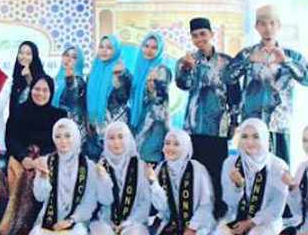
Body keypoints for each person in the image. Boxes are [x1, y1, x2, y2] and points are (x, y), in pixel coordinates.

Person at [223, 5, 308, 163]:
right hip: (252, 125)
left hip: (279, 124)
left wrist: (286, 61)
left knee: (280, 170)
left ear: (279, 26)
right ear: (256, 27)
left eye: (272, 23)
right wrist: (248, 61)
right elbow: (227, 78)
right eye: (262, 24)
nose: (268, 28)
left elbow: (306, 79)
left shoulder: (292, 55)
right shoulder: (247, 53)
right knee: (249, 170)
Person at [175, 17, 240, 217]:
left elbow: (234, 93)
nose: (199, 39)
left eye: (203, 34)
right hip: (194, 125)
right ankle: (196, 212)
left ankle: (218, 212)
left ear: (212, 34)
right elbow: (183, 85)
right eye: (195, 35)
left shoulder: (226, 62)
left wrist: (234, 121)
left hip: (218, 125)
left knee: (218, 170)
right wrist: (186, 68)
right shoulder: (186, 61)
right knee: (196, 171)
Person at [206, 118, 289, 235]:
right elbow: (230, 203)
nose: (250, 142)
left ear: (265, 139)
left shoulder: (278, 166)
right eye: (244, 137)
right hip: (237, 218)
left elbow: (276, 209)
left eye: (256, 137)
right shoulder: (230, 163)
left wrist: (251, 223)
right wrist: (237, 187)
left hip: (265, 221)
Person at [19, 118, 103, 235]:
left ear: (75, 137)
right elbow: (39, 197)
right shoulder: (46, 161)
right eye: (58, 137)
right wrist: (43, 178)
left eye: (67, 136)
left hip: (75, 219)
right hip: (50, 218)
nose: (63, 141)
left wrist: (70, 220)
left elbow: (89, 203)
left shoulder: (88, 166)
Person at [0, 75, 67, 235]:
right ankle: (17, 227)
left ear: (51, 93)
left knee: (45, 174)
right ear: (31, 90)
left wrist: (43, 159)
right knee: (20, 172)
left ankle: (39, 226)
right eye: (37, 89)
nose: (40, 93)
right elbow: (10, 139)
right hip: (21, 157)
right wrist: (24, 158)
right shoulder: (19, 110)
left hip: (47, 159)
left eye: (45, 90)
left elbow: (61, 143)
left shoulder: (59, 115)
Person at [89, 121, 152, 235]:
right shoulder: (100, 167)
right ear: (106, 142)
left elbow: (145, 203)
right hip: (106, 222)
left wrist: (127, 223)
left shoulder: (140, 166)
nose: (116, 142)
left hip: (133, 222)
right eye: (111, 138)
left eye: (120, 137)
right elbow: (102, 201)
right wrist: (103, 179)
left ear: (128, 139)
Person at [148, 129, 215, 235]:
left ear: (185, 147)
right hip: (172, 222)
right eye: (167, 143)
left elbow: (206, 204)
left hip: (199, 223)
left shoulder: (197, 168)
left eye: (176, 144)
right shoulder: (160, 168)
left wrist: (193, 227)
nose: (170, 148)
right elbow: (163, 208)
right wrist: (153, 183)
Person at [267, 126, 308, 235]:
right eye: (305, 140)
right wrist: (291, 188)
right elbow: (298, 210)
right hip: (303, 229)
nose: (307, 145)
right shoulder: (303, 167)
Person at [84, 35, 131, 160]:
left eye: (109, 48)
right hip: (95, 129)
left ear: (116, 50)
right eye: (101, 47)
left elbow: (124, 98)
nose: (104, 50)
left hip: (116, 130)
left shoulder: (123, 73)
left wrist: (118, 77)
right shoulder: (92, 74)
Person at [130, 32, 172, 164]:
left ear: (159, 50)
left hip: (154, 124)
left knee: (149, 160)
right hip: (140, 120)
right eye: (146, 46)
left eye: (154, 47)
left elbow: (160, 100)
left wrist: (152, 87)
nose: (149, 50)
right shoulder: (140, 68)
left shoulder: (161, 70)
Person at [53, 45, 87, 154]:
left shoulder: (79, 81)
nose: (69, 59)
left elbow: (71, 96)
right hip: (58, 129)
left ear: (79, 62)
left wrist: (70, 80)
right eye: (66, 55)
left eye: (74, 57)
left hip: (72, 132)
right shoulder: (56, 80)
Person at [8, 40, 46, 121]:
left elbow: (40, 100)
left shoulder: (42, 78)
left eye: (28, 54)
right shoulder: (17, 76)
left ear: (34, 56)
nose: (23, 56)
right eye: (21, 53)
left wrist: (28, 77)